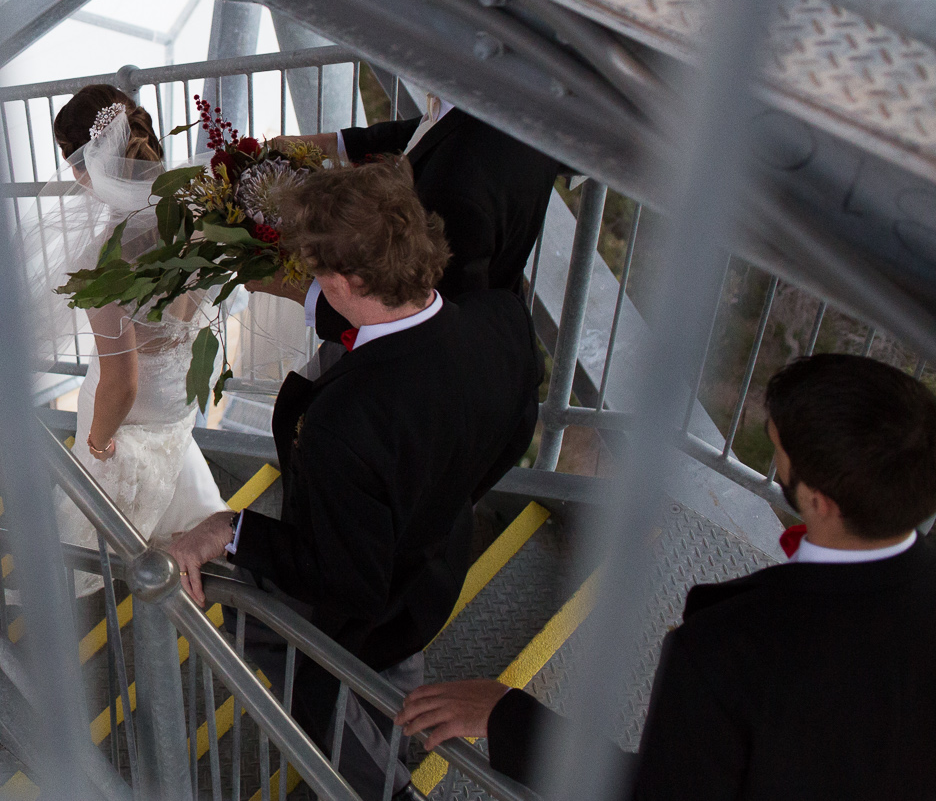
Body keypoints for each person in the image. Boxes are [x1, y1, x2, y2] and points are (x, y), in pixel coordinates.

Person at [395, 352, 936, 800]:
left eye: (777, 453)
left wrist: (506, 716)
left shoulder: (727, 649)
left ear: (818, 501)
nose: (776, 464)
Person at [166, 161, 542, 797]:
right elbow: (514, 434)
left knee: (324, 681)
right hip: (439, 559)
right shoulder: (501, 319)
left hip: (372, 605)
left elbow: (348, 585)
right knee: (380, 665)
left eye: (314, 273)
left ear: (341, 281)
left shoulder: (347, 423)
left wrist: (230, 528)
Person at [35, 85, 229, 581]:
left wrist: (98, 450)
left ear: (85, 166)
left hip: (135, 405)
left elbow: (122, 382)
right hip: (179, 393)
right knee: (171, 455)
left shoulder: (105, 258)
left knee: (100, 490)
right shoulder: (195, 207)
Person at [298, 95, 562, 342]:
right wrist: (332, 144)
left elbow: (422, 317)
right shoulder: (517, 106)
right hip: (502, 312)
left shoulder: (456, 193)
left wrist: (292, 287)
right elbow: (433, 129)